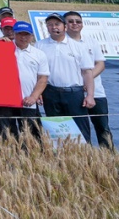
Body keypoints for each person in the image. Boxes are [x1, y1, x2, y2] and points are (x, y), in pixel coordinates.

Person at [37, 12, 96, 142]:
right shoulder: (40, 46)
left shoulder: (78, 46)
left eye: (57, 24)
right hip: (50, 92)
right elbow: (37, 73)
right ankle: (60, 154)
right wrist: (38, 92)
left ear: (65, 26)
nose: (54, 27)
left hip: (74, 93)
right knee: (55, 130)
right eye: (50, 25)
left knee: (80, 129)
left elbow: (87, 72)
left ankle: (85, 153)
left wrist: (90, 95)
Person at [65, 11, 112, 148]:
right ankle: (84, 156)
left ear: (82, 24)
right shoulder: (61, 43)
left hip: (96, 92)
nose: (75, 24)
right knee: (79, 130)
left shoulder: (91, 41)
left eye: (78, 21)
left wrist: (88, 81)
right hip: (73, 93)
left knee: (103, 127)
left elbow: (100, 64)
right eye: (70, 21)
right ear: (64, 25)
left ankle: (108, 154)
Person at [0, 21, 48, 140]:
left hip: (28, 101)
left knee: (31, 136)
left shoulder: (39, 54)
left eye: (26, 34)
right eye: (20, 34)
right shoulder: (3, 48)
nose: (23, 37)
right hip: (5, 100)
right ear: (14, 34)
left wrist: (34, 96)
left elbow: (43, 78)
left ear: (32, 36)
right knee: (7, 135)